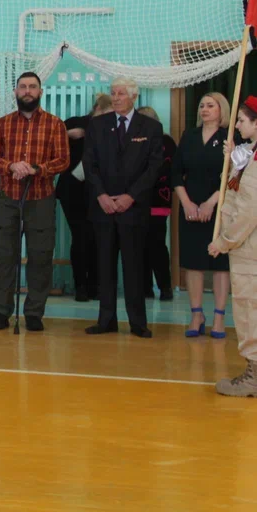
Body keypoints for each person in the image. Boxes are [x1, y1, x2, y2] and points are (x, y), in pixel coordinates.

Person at [208, 96, 257, 397]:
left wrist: (225, 241)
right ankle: (256, 373)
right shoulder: (254, 153)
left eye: (241, 120)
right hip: (249, 245)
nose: (236, 125)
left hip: (251, 245)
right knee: (248, 307)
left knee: (251, 309)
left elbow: (250, 210)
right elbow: (237, 191)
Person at [0, 72, 69, 331]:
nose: (27, 91)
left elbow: (63, 160)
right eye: (23, 87)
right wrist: (11, 166)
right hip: (8, 198)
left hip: (41, 198)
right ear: (16, 92)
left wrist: (36, 169)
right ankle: (1, 311)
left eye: (32, 87)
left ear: (40, 92)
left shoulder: (55, 124)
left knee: (40, 256)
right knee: (3, 255)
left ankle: (34, 313)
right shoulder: (2, 124)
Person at [83, 77, 164, 338]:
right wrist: (101, 195)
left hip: (134, 208)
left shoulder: (151, 127)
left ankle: (138, 322)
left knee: (134, 266)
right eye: (113, 93)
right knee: (104, 266)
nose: (116, 98)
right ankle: (106, 320)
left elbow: (154, 167)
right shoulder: (97, 125)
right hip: (103, 207)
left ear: (134, 97)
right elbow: (89, 164)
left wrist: (131, 196)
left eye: (121, 93)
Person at [172, 92, 231, 338]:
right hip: (190, 207)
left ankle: (219, 317)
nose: (204, 109)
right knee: (193, 263)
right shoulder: (190, 136)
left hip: (220, 207)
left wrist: (211, 203)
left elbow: (234, 175)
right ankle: (197, 314)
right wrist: (186, 203)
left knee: (220, 264)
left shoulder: (231, 136)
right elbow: (176, 172)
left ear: (221, 109)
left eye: (210, 105)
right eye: (202, 105)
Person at [58, 93, 113, 302]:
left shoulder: (111, 129)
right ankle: (80, 285)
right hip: (73, 189)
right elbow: (52, 141)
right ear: (97, 108)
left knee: (98, 238)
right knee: (81, 236)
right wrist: (68, 135)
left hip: (98, 191)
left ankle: (95, 285)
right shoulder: (76, 123)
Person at [136, 107, 175, 301]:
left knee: (157, 246)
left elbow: (168, 170)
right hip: (136, 201)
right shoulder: (134, 141)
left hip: (158, 200)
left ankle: (165, 287)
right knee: (139, 246)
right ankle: (145, 288)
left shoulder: (166, 141)